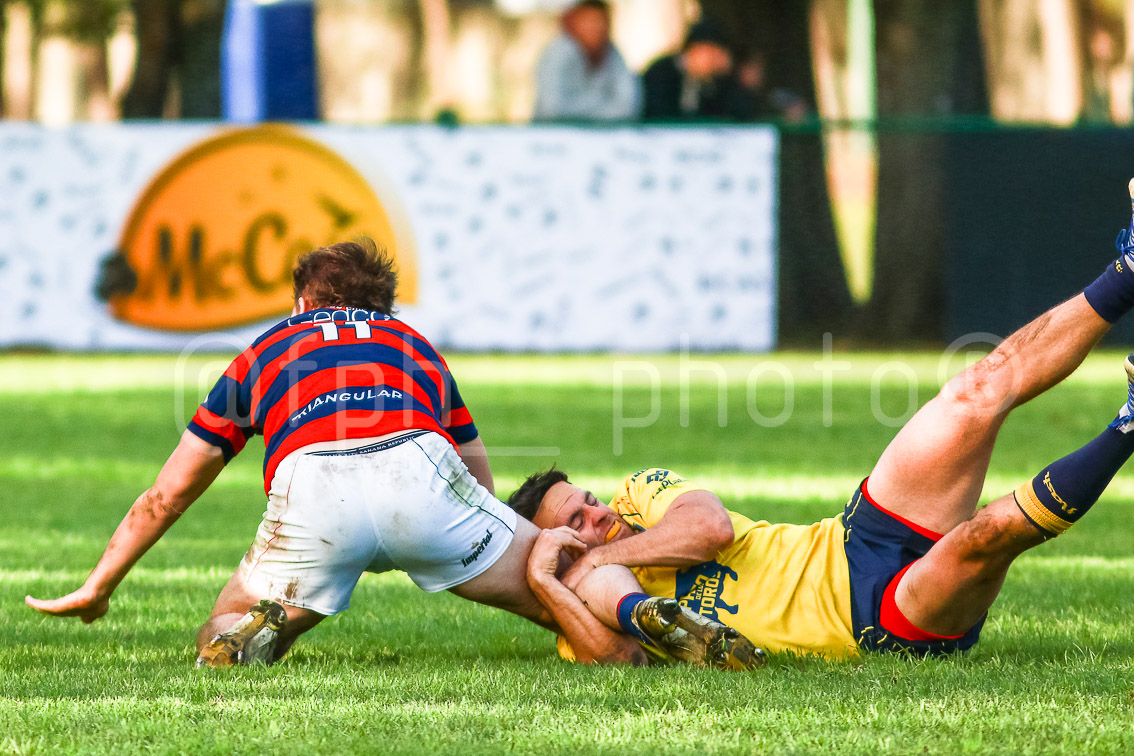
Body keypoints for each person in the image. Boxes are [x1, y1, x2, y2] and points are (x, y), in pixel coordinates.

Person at [509, 185, 1134, 663]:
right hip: (877, 618)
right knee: (986, 534)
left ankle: (1127, 269)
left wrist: (601, 555)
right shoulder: (587, 603)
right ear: (563, 551)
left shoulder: (640, 494)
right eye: (577, 525)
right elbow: (617, 657)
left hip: (856, 535)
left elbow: (710, 528)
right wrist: (554, 579)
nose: (596, 515)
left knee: (976, 389)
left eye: (586, 501)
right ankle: (1128, 423)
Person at [25, 239, 558, 666]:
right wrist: (488, 541)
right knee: (556, 582)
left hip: (315, 490)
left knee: (223, 627)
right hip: (418, 471)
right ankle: (628, 616)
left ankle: (249, 631)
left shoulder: (266, 349)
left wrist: (98, 586)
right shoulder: (415, 344)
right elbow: (476, 477)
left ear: (302, 303)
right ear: (384, 306)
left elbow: (165, 496)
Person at [532, 0, 640, 123]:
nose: (596, 28)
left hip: (603, 135)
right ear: (574, 23)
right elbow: (552, 109)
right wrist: (600, 102)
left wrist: (580, 108)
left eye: (600, 22)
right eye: (589, 21)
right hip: (555, 136)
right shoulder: (558, 52)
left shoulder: (613, 53)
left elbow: (628, 107)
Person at [640, 19, 736, 122]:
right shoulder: (661, 74)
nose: (714, 63)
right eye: (711, 55)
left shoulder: (713, 83)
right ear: (694, 50)